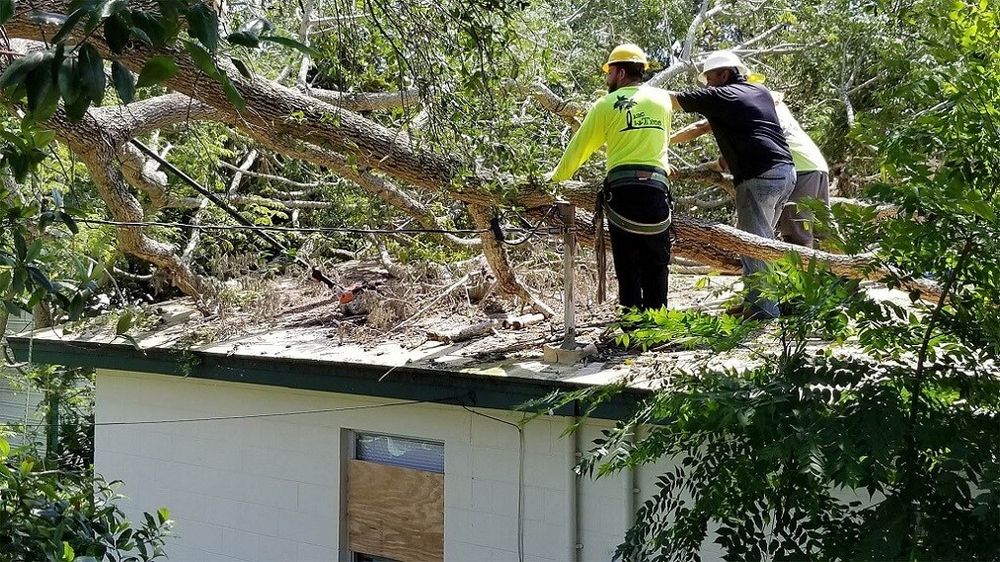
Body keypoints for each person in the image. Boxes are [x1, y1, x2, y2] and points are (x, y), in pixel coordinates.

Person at [665, 50, 795, 319]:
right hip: (785, 172)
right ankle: (761, 303)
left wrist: (632, 95)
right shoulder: (759, 92)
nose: (708, 85)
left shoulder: (723, 95)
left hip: (759, 176)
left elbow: (673, 101)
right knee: (763, 242)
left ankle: (763, 312)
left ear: (724, 74)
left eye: (710, 78)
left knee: (753, 245)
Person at [545, 43, 674, 311]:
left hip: (623, 192)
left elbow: (578, 149)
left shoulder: (605, 105)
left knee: (627, 264)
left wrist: (555, 178)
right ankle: (658, 327)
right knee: (657, 263)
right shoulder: (662, 100)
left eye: (609, 72)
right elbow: (663, 141)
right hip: (656, 190)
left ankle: (631, 325)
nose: (607, 78)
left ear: (620, 73)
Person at [672, 89, 831, 249]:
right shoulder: (768, 106)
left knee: (795, 234)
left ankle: (796, 273)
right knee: (821, 233)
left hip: (799, 168)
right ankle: (836, 271)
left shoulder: (744, 107)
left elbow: (702, 127)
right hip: (816, 165)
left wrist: (666, 139)